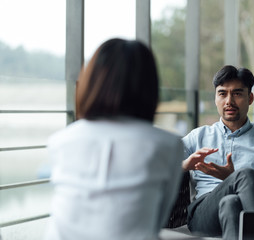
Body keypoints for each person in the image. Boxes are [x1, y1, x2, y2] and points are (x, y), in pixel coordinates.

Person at [44, 38, 183, 240]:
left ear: (90, 83)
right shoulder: (167, 145)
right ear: (149, 86)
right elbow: (156, 222)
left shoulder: (60, 141)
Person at [182, 65, 254, 239]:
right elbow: (162, 165)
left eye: (237, 94)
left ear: (250, 98)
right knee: (245, 175)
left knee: (231, 202)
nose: (229, 101)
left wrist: (231, 180)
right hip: (203, 215)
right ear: (215, 98)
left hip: (243, 211)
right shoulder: (198, 136)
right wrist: (185, 164)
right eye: (222, 93)